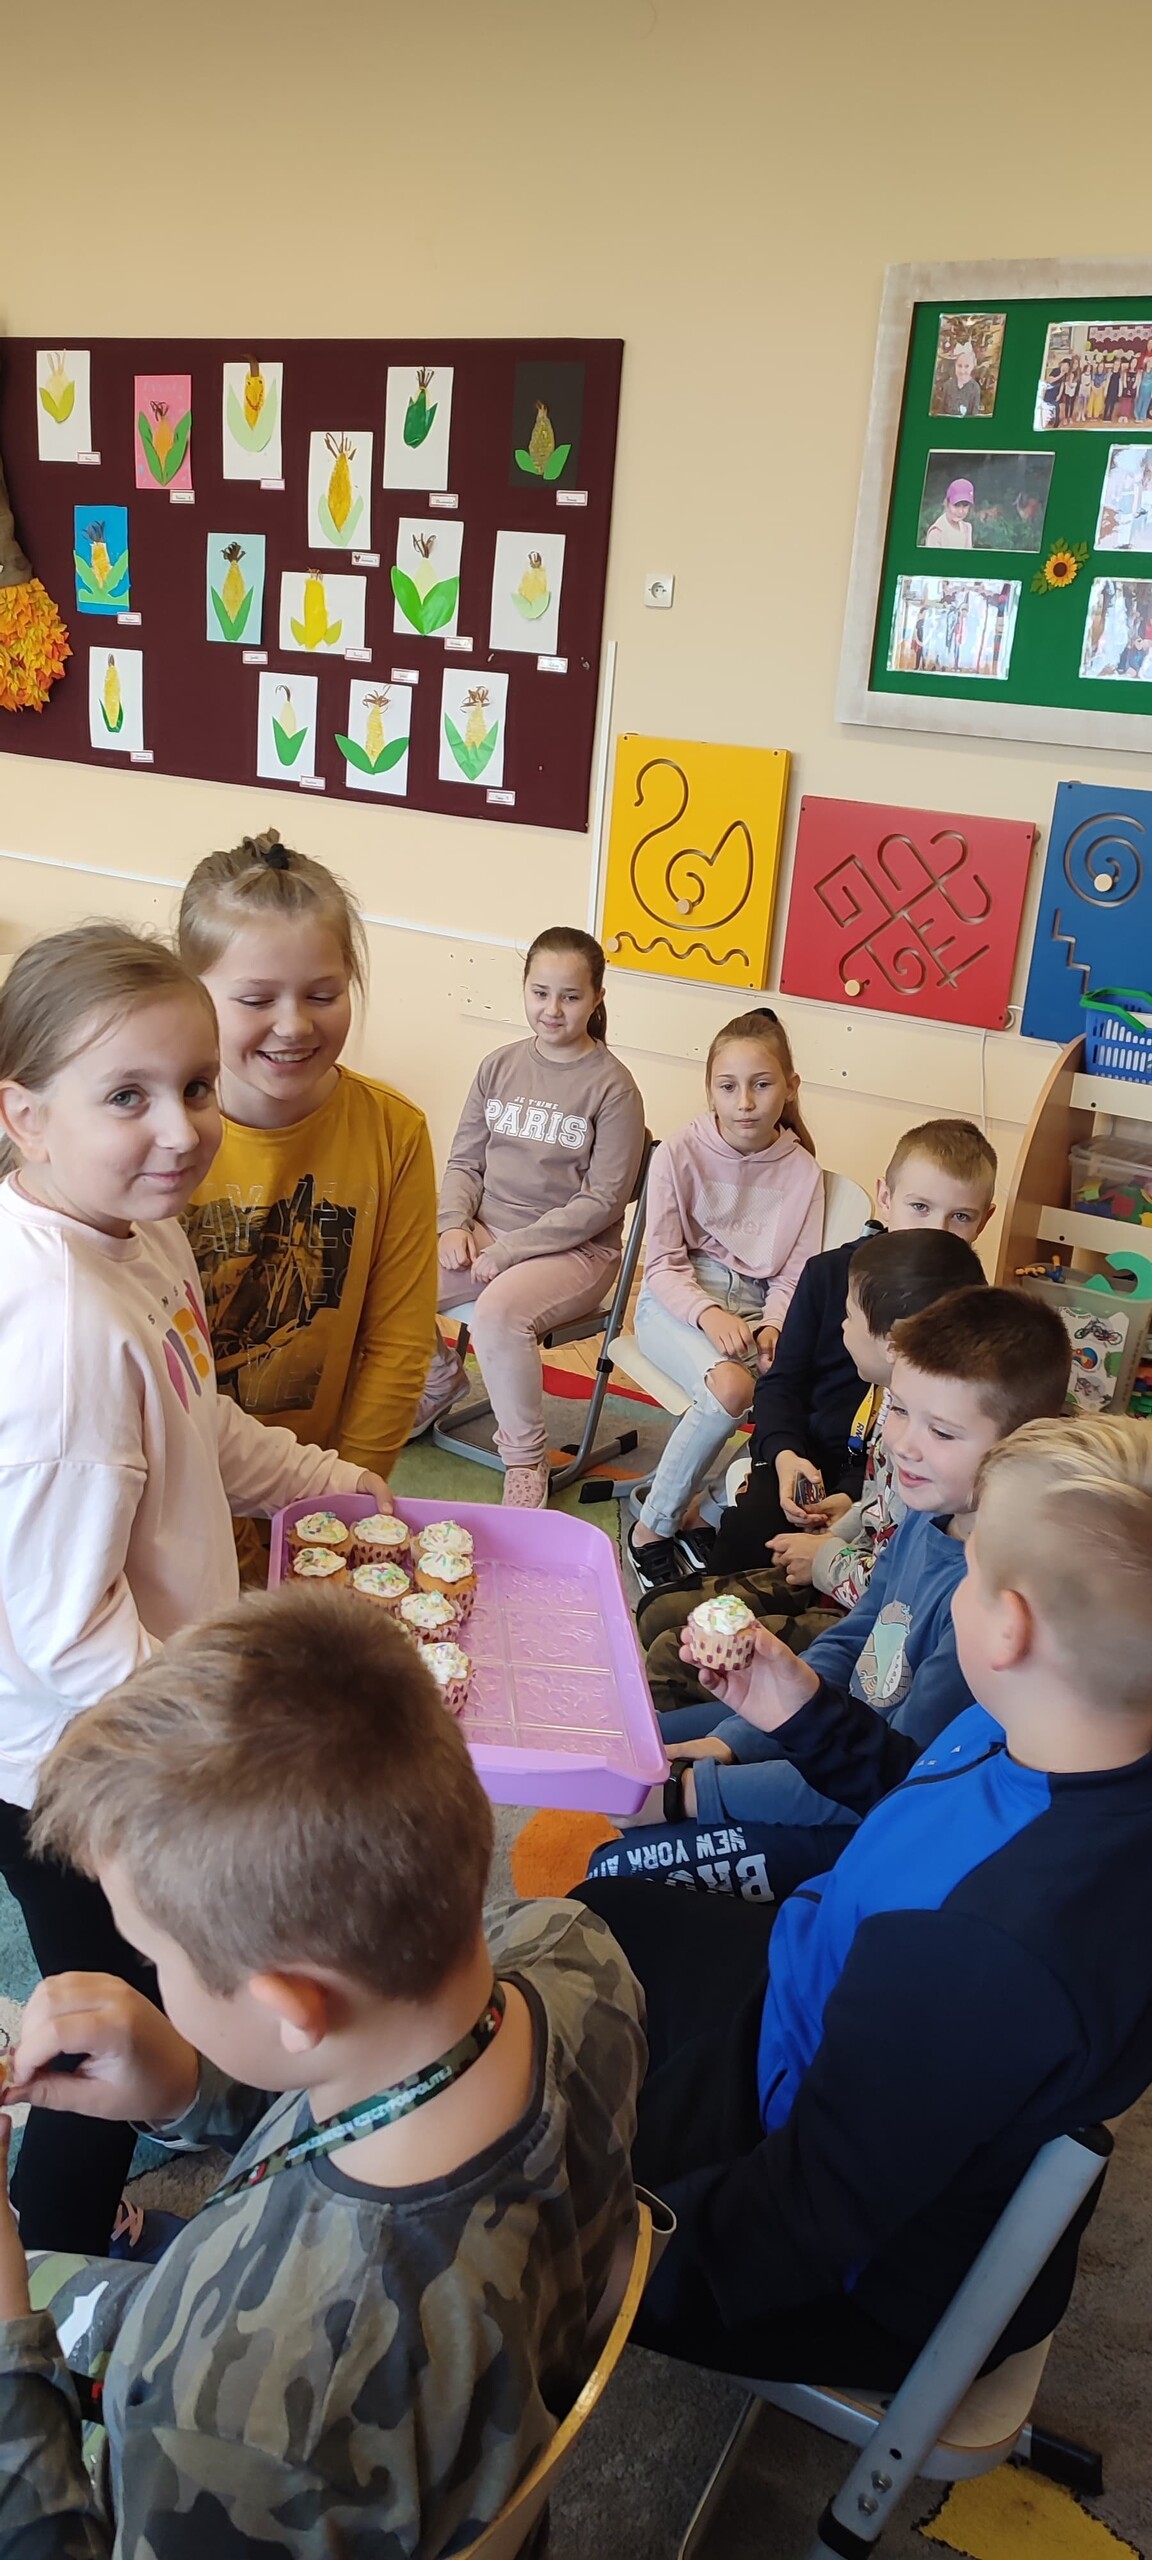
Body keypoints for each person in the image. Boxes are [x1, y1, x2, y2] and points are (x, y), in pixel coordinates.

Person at [0, 1589, 645, 2555]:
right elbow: (385, 2072)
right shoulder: (570, 1948)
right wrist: (187, 2083)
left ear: (289, 2007)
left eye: (154, 1957)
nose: (150, 1978)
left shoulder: (234, 2413)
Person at [577, 1412, 1152, 2390]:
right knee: (604, 1909)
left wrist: (574, 2268)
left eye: (968, 1567)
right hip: (820, 1998)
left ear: (1007, 1625)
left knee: (512, 2182)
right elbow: (926, 1803)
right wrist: (800, 1710)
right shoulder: (1065, 1728)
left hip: (844, 2241)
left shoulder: (985, 1951)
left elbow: (803, 2217)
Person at [0, 926, 389, 2256]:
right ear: (24, 1116)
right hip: (70, 1770)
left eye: (196, 1085)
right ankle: (57, 2269)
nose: (180, 1129)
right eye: (127, 1096)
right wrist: (239, 1739)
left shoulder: (138, 1231)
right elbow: (66, 1644)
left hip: (136, 1723)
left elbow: (197, 1417)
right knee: (108, 2014)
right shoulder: (60, 1341)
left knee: (138, 1996)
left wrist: (322, 1484)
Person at [591, 1286, 1070, 1900]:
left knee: (615, 1870)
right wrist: (729, 1744)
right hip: (834, 1735)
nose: (902, 1444)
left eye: (943, 1432)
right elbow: (852, 1640)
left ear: (1021, 1447)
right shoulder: (931, 1511)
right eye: (900, 1410)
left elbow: (888, 1781)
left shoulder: (988, 1605)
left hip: (864, 1821)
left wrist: (693, 1791)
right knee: (645, 1743)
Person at [179, 829, 438, 1507]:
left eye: (323, 995)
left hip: (324, 1488)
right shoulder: (161, 1137)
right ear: (190, 993)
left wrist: (342, 1499)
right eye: (256, 1000)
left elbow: (398, 1341)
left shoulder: (393, 1132)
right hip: (176, 1492)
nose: (293, 1025)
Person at [638, 1224, 986, 1717]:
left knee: (674, 1655)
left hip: (863, 1608)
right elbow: (881, 1505)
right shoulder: (896, 1406)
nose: (841, 1326)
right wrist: (843, 1520)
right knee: (658, 1610)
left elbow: (897, 1585)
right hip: (848, 1562)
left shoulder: (931, 1456)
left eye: (850, 1316)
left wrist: (826, 1559)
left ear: (893, 1343)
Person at [651, 1116, 996, 1593]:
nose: (936, 1231)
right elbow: (780, 1385)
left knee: (852, 1583)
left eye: (961, 1217)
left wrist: (855, 1501)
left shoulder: (972, 1308)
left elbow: (948, 1447)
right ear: (886, 1197)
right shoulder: (829, 1275)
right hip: (804, 1460)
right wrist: (784, 1456)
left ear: (985, 1220)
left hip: (899, 1484)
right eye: (920, 1207)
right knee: (742, 1550)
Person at [422, 925, 646, 1507]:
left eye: (570, 996)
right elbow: (464, 1162)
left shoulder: (614, 1088)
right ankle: (437, 1377)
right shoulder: (497, 1066)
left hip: (575, 1251)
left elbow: (602, 1202)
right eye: (540, 992)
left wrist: (509, 1250)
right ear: (524, 988)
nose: (552, 1009)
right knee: (389, 1275)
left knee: (498, 1314)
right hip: (487, 1231)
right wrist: (453, 1223)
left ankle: (524, 1460)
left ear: (597, 998)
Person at [627, 1008, 823, 1590]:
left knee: (809, 1400)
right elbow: (662, 1265)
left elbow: (795, 1275)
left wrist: (775, 1326)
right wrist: (708, 1313)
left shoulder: (803, 1172)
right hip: (678, 1299)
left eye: (761, 1085)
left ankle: (707, 1512)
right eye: (728, 1086)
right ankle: (652, 1529)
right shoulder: (678, 1152)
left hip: (760, 1309)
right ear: (709, 1089)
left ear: (790, 1088)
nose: (745, 1103)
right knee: (733, 1388)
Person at [923, 476, 975, 549]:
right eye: (956, 505)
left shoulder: (967, 528)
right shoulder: (937, 532)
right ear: (947, 503)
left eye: (965, 505)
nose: (961, 511)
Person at [938, 339, 982, 419]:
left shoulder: (975, 388)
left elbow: (974, 415)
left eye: (967, 366)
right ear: (955, 366)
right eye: (959, 366)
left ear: (972, 367)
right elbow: (941, 410)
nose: (962, 371)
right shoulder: (948, 385)